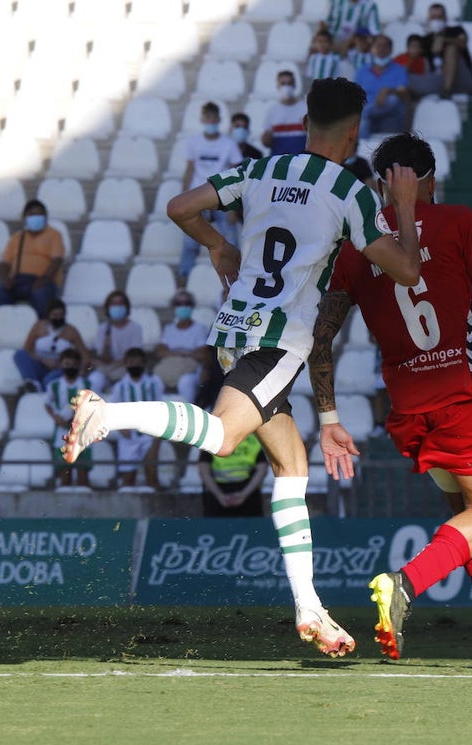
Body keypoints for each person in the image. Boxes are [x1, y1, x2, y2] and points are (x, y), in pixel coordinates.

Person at [61, 78, 424, 659]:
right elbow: (406, 270)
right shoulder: (347, 190)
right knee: (226, 435)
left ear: (305, 122)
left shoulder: (261, 171)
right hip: (278, 342)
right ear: (353, 133)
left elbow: (180, 207)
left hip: (233, 330)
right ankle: (109, 414)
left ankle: (309, 607)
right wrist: (403, 205)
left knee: (293, 464)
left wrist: (216, 245)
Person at [307, 133, 472, 662]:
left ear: (379, 186)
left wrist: (328, 413)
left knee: (469, 518)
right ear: (430, 181)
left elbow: (320, 335)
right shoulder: (459, 221)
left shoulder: (355, 247)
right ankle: (406, 584)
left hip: (407, 405)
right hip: (462, 395)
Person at [181, 102, 243, 280]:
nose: (211, 121)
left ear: (219, 120)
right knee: (189, 243)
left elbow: (236, 174)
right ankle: (183, 282)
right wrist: (184, 197)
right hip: (197, 198)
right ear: (202, 119)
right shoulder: (193, 142)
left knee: (231, 240)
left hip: (222, 198)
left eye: (213, 118)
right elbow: (189, 170)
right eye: (207, 118)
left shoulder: (229, 144)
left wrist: (234, 207)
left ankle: (238, 277)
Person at [0, 199, 64, 317]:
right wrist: (6, 279)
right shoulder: (17, 237)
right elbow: (4, 263)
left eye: (40, 214)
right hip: (18, 280)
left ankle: (41, 328)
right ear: (25, 217)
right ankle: (5, 326)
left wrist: (44, 279)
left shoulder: (54, 235)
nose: (36, 217)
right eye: (32, 214)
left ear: (46, 217)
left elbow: (57, 260)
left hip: (42, 281)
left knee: (41, 294)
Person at [109, 347, 165, 490]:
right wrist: (121, 428)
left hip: (150, 435)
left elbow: (162, 408)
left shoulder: (154, 383)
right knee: (128, 480)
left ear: (144, 364)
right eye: (131, 363)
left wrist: (158, 437)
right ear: (126, 364)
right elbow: (112, 411)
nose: (135, 366)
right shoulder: (120, 386)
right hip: (128, 438)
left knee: (152, 476)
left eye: (138, 363)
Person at [13, 299, 94, 392]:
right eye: (55, 315)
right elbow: (27, 349)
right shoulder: (38, 326)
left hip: (60, 369)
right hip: (40, 364)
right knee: (19, 354)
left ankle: (40, 389)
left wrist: (82, 371)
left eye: (61, 315)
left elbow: (85, 356)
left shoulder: (72, 331)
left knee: (48, 380)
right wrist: (42, 360)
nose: (58, 318)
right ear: (48, 315)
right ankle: (32, 383)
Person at [46, 348, 92, 488]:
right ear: (61, 365)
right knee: (65, 474)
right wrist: (56, 418)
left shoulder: (86, 384)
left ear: (78, 365)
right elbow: (47, 404)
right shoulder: (54, 385)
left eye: (73, 364)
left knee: (83, 475)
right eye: (67, 364)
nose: (70, 367)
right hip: (62, 432)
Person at [410, 3, 472, 100]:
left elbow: (462, 43)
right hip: (436, 78)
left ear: (445, 18)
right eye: (433, 17)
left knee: (452, 49)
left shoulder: (456, 31)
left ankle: (447, 91)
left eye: (439, 17)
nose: (436, 20)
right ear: (428, 19)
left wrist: (444, 40)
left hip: (460, 78)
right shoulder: (425, 40)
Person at [155, 290, 209, 403]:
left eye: (187, 303)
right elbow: (160, 352)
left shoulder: (200, 329)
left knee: (186, 382)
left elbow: (202, 354)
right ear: (174, 307)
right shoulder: (169, 329)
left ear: (192, 306)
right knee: (154, 380)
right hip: (171, 367)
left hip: (192, 370)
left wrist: (173, 352)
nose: (183, 307)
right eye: (179, 304)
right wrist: (186, 353)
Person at [199, 432, 268, 517]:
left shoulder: (212, 439)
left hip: (226, 493)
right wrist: (243, 495)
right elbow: (262, 470)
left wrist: (220, 496)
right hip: (244, 491)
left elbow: (203, 471)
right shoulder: (254, 441)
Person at [355, 34, 410, 138]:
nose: (381, 49)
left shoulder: (399, 69)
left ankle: (361, 142)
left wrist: (388, 91)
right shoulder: (362, 71)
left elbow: (403, 94)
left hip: (390, 112)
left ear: (390, 50)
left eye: (385, 46)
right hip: (368, 110)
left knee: (393, 99)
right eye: (378, 45)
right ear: (372, 49)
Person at [92, 290, 144, 389]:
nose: (117, 307)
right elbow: (104, 358)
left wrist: (114, 366)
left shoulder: (136, 328)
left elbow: (134, 356)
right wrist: (107, 346)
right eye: (114, 304)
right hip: (107, 368)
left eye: (120, 303)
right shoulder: (103, 328)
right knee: (95, 379)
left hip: (126, 368)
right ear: (108, 308)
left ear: (126, 307)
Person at [262, 70, 307, 156]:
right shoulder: (272, 111)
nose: (286, 86)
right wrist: (266, 139)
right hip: (278, 161)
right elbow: (266, 141)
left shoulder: (305, 109)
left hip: (301, 160)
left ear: (294, 85)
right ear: (278, 86)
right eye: (283, 83)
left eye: (289, 83)